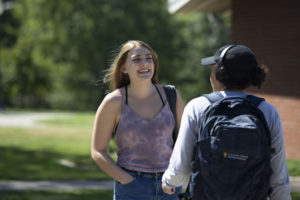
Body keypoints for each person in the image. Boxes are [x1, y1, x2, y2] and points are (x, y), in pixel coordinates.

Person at [162, 44, 291, 199]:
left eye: (212, 68)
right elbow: (278, 176)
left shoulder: (198, 106)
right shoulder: (267, 111)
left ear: (219, 72)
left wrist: (168, 183)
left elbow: (181, 167)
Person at [91, 40, 185, 200]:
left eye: (149, 58)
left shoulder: (172, 96)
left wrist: (178, 177)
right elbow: (98, 151)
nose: (145, 63)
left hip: (169, 185)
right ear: (124, 68)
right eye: (136, 59)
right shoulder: (114, 101)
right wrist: (127, 180)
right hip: (131, 188)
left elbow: (185, 142)